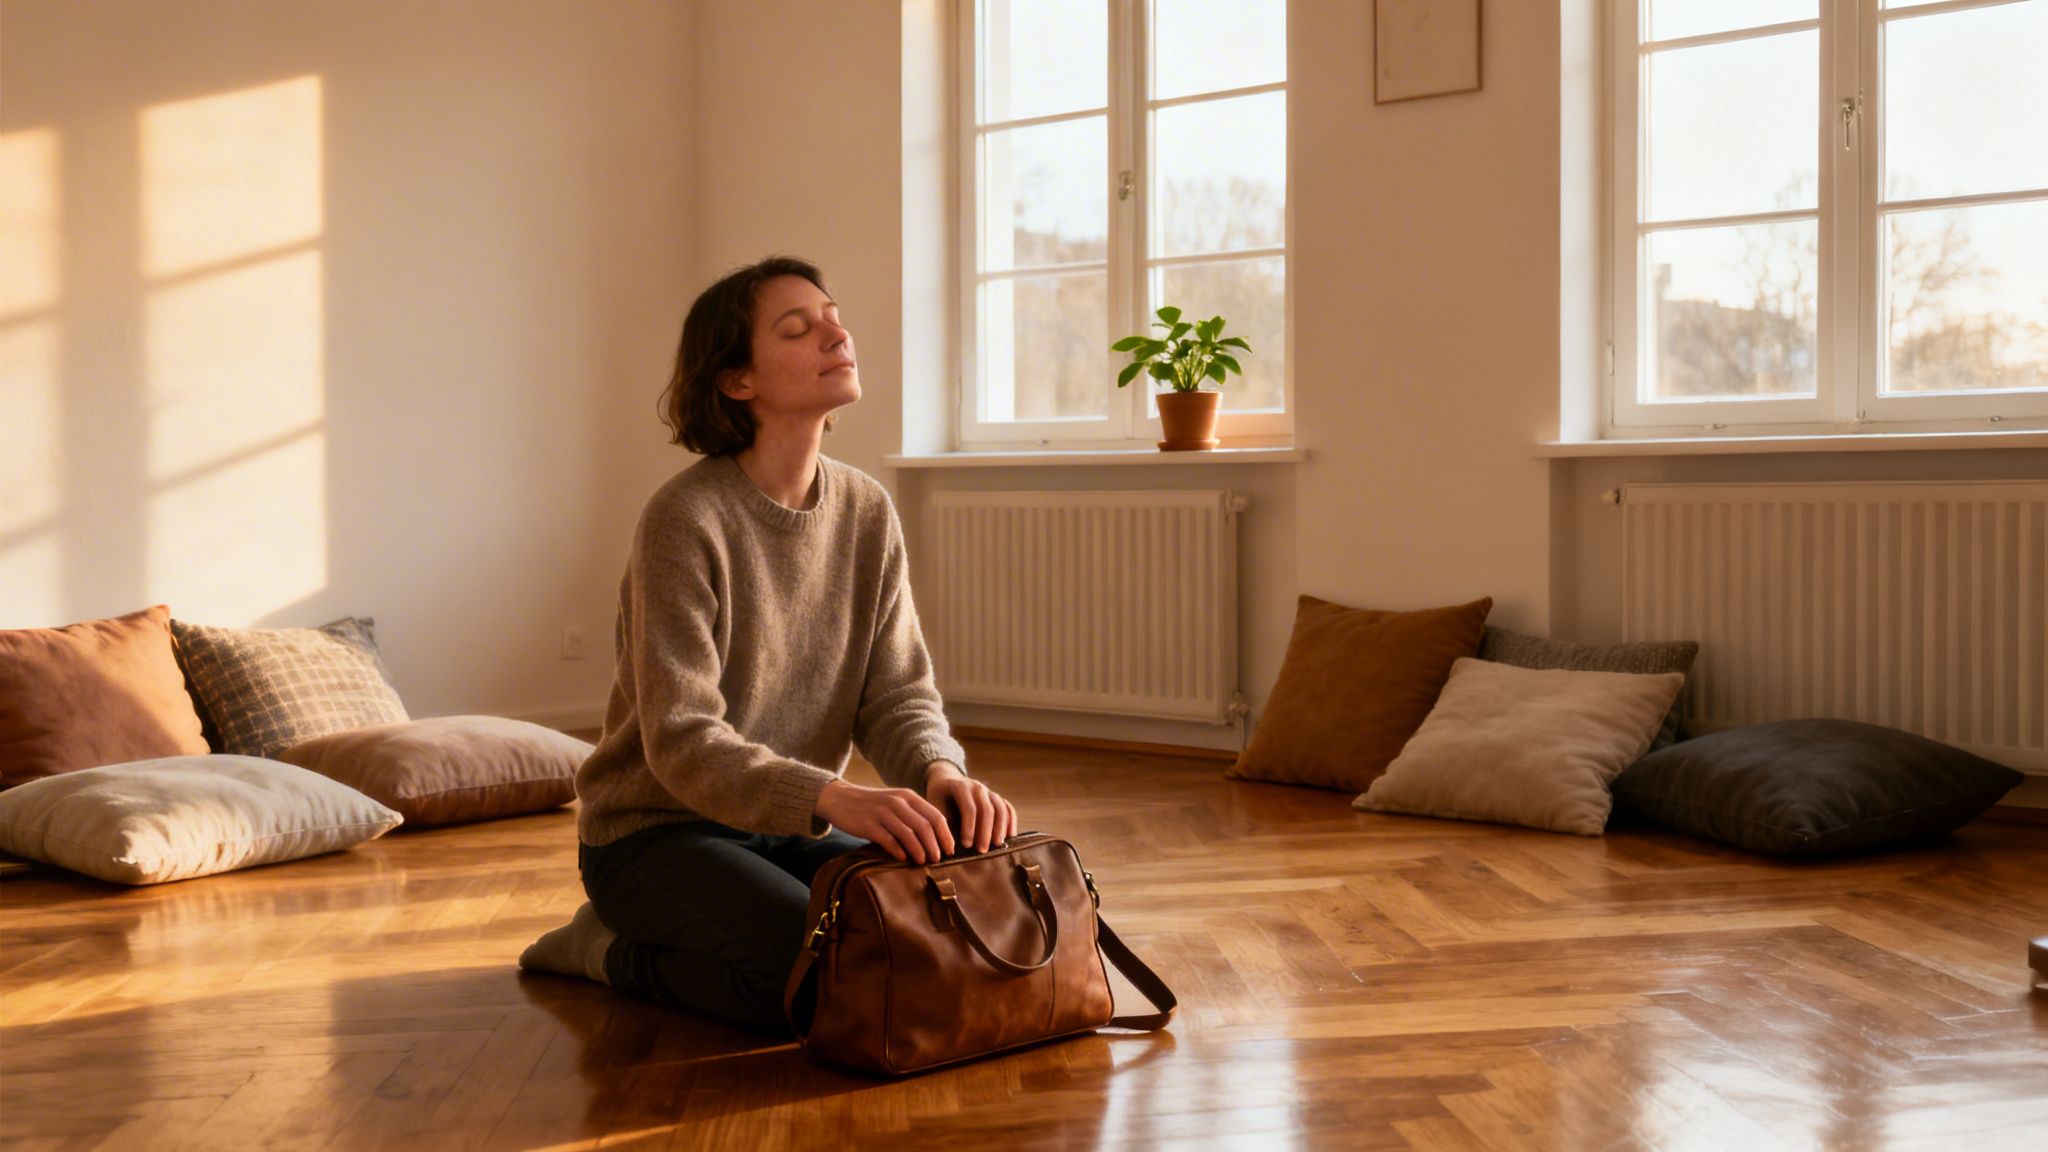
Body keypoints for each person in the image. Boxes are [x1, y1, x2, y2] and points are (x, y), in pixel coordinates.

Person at [519, 256, 1017, 1033]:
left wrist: (938, 770)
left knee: (940, 937)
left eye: (833, 314)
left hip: (789, 825)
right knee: (827, 981)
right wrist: (836, 795)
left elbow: (897, 692)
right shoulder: (685, 520)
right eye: (799, 327)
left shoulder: (866, 509)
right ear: (736, 381)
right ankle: (609, 950)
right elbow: (683, 741)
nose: (836, 332)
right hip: (655, 835)